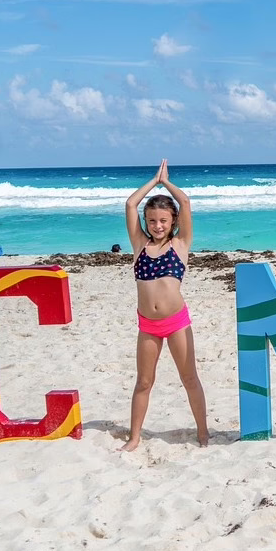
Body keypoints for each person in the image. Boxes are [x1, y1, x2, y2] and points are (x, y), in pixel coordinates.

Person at [120, 160, 208, 451]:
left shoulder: (180, 244)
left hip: (176, 322)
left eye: (163, 221)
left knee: (189, 378)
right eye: (153, 220)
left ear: (173, 222)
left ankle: (203, 432)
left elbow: (184, 201)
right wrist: (152, 181)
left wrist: (166, 183)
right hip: (147, 325)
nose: (158, 226)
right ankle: (134, 437)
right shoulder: (139, 246)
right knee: (144, 382)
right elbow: (131, 204)